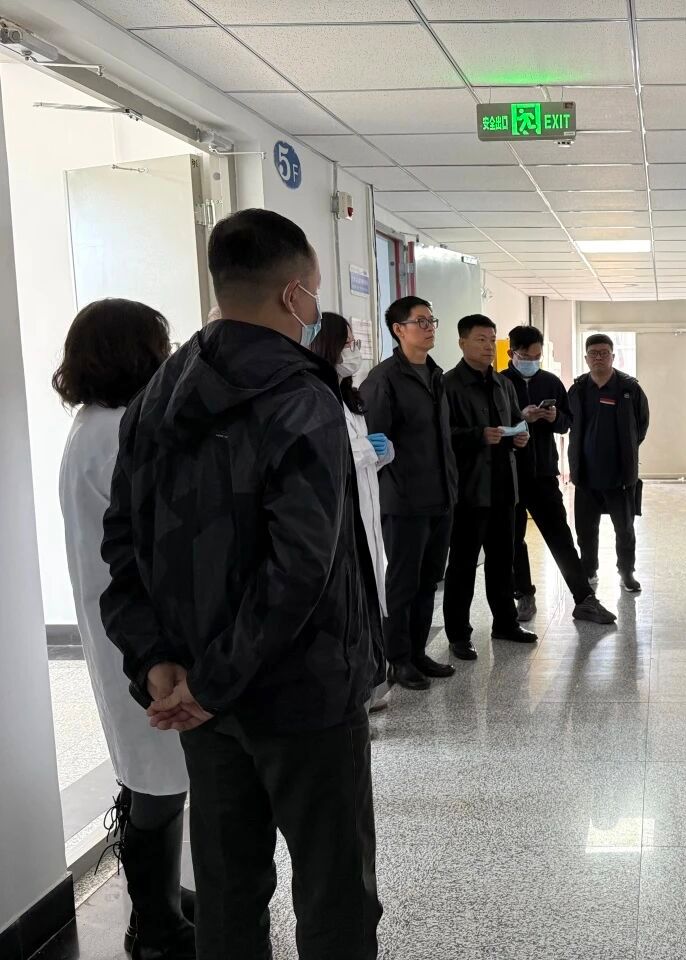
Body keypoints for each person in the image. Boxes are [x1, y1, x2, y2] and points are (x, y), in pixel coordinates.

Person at [100, 208, 383, 960]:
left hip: (200, 695)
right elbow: (301, 568)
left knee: (228, 890)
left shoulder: (157, 396)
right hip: (303, 693)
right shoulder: (302, 398)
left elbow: (122, 544)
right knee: (335, 891)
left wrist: (160, 664)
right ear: (294, 294)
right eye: (314, 288)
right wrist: (212, 681)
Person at [54, 299, 196, 960]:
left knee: (152, 774)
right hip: (139, 633)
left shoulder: (95, 424)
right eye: (159, 344)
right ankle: (155, 926)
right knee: (156, 780)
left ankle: (163, 907)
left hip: (123, 626)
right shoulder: (116, 432)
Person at [362, 296, 458, 692]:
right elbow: (374, 445)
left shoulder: (435, 375)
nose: (429, 327)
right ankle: (397, 659)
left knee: (429, 579)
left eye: (432, 320)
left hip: (440, 496)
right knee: (402, 583)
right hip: (404, 500)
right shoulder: (383, 380)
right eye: (421, 321)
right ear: (398, 329)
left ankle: (417, 652)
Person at [502, 325, 616, 625]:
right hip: (509, 474)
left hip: (543, 473)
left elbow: (567, 422)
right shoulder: (500, 383)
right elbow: (494, 427)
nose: (532, 361)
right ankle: (523, 594)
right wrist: (521, 417)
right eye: (526, 356)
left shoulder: (550, 382)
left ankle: (584, 599)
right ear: (512, 353)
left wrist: (554, 417)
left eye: (536, 356)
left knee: (561, 537)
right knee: (513, 539)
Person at [442, 314, 539, 659]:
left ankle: (505, 623)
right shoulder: (448, 385)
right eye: (480, 339)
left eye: (492, 339)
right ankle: (458, 634)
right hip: (468, 490)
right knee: (463, 564)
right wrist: (477, 436)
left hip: (503, 487)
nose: (487, 346)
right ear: (462, 343)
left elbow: (513, 422)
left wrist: (520, 436)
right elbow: (442, 437)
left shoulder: (502, 383)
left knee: (502, 561)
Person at [312, 311, 395, 713]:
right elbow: (327, 457)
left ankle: (372, 682)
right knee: (353, 604)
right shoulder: (315, 395)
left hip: (367, 511)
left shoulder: (348, 394)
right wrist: (364, 451)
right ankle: (358, 691)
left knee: (371, 598)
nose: (354, 350)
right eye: (348, 343)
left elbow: (359, 460)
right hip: (343, 521)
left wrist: (380, 454)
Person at [566, 333, 650, 593]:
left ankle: (627, 573)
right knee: (585, 530)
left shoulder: (629, 389)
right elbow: (569, 423)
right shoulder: (578, 389)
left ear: (613, 356)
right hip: (585, 474)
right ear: (586, 358)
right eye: (593, 353)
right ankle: (589, 570)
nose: (599, 357)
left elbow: (641, 425)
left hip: (619, 475)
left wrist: (627, 450)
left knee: (624, 530)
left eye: (604, 353)